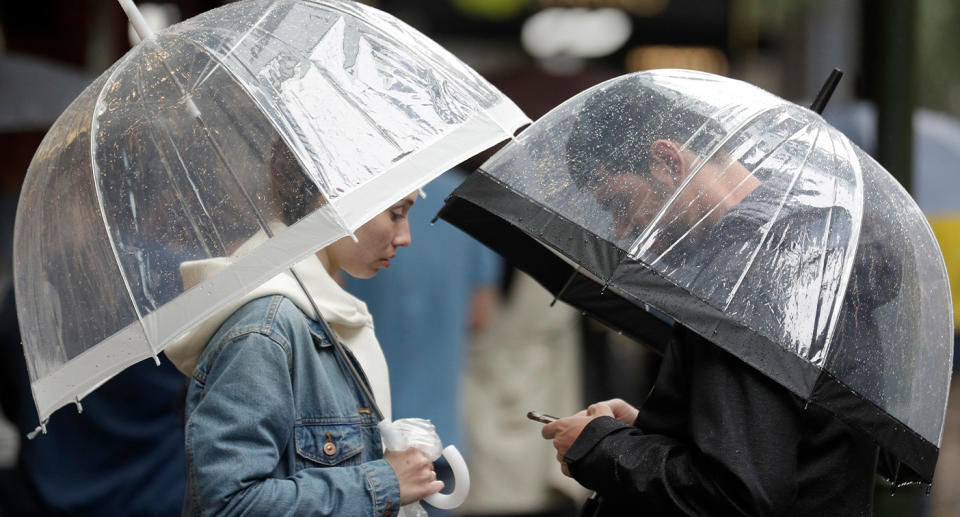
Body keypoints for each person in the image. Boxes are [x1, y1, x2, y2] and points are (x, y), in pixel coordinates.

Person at [540, 82, 881, 516]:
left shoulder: (752, 274)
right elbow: (777, 443)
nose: (622, 228)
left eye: (620, 202)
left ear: (667, 161)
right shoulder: (799, 249)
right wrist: (650, 429)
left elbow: (735, 493)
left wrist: (600, 448)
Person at [165, 143, 443, 515]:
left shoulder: (326, 312)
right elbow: (229, 505)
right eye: (395, 213)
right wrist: (383, 481)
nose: (404, 235)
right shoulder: (265, 330)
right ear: (336, 200)